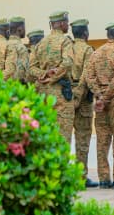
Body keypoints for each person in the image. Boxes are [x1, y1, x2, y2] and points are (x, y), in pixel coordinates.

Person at [84, 21, 114, 190]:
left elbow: (88, 77)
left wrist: (99, 95)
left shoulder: (95, 53)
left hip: (100, 102)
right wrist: (106, 97)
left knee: (102, 141)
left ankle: (104, 178)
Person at [30, 12, 75, 143]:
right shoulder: (65, 41)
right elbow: (67, 63)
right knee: (63, 136)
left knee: (47, 134)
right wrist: (53, 77)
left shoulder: (40, 43)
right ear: (61, 23)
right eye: (67, 22)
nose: (68, 25)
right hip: (61, 93)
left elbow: (31, 67)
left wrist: (43, 74)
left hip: (43, 94)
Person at [69, 19, 97, 187]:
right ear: (86, 33)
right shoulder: (87, 50)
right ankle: (81, 176)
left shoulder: (67, 47)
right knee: (82, 139)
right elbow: (87, 75)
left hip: (65, 97)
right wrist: (78, 97)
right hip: (83, 98)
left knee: (63, 137)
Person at [8, 17, 30, 82]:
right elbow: (22, 72)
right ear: (19, 29)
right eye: (24, 28)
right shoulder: (21, 47)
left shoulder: (4, 45)